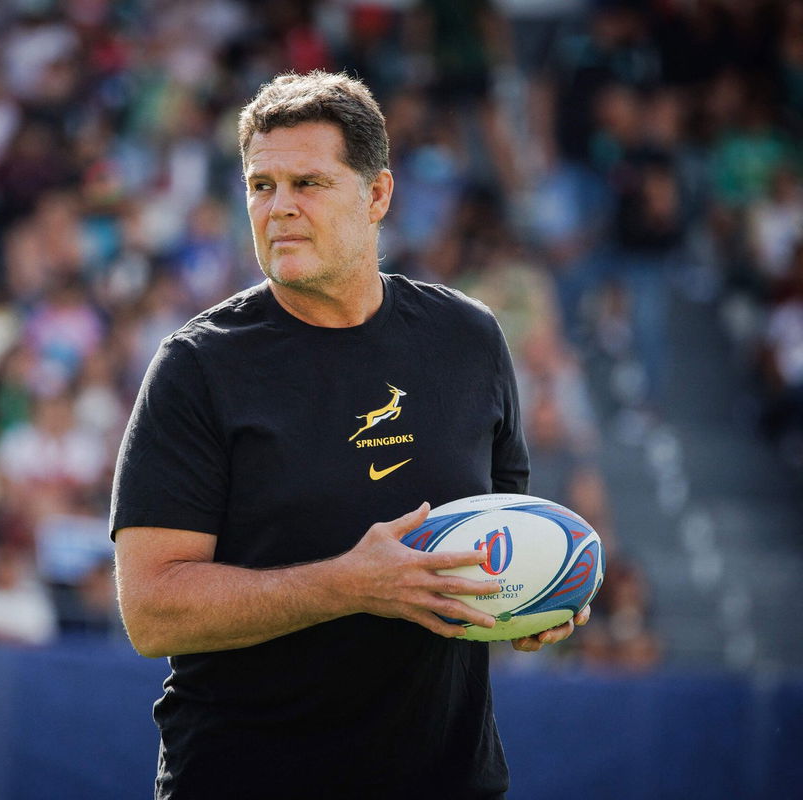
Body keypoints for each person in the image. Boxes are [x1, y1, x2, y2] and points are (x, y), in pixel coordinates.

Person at [110, 71, 590, 800]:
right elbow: (151, 611)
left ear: (377, 196)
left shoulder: (468, 339)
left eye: (308, 182)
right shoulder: (196, 367)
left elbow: (497, 538)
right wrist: (346, 586)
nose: (280, 209)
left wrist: (526, 609)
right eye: (260, 186)